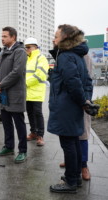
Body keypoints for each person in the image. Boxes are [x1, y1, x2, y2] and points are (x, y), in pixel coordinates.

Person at [48, 24, 93, 193]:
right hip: (73, 107)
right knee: (74, 142)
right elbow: (87, 81)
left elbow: (73, 83)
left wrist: (83, 101)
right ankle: (75, 177)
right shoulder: (78, 56)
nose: (54, 39)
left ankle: (71, 181)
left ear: (65, 38)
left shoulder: (66, 56)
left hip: (66, 107)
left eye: (56, 36)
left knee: (68, 144)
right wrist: (85, 101)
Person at [0, 27, 27, 163]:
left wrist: (1, 85)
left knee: (19, 123)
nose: (2, 38)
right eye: (2, 36)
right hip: (3, 93)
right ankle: (9, 146)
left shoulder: (20, 52)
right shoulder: (2, 52)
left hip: (14, 93)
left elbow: (17, 72)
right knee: (6, 122)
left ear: (13, 37)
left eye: (5, 36)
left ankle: (23, 150)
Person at [59, 55, 93, 181]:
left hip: (81, 100)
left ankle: (83, 165)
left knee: (82, 133)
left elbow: (87, 79)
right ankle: (71, 161)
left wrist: (86, 100)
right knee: (68, 134)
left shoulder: (83, 55)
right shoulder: (62, 53)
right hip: (67, 102)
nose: (53, 40)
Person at [24, 37, 49, 146]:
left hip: (37, 91)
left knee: (38, 113)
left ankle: (40, 135)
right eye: (26, 47)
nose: (27, 49)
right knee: (29, 113)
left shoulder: (41, 58)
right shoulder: (26, 59)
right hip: (27, 91)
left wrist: (25, 83)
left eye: (28, 47)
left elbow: (40, 74)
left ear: (35, 47)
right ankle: (33, 132)